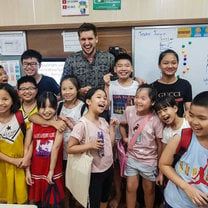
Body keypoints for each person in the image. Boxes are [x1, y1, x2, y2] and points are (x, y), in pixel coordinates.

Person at [67, 88, 119, 208]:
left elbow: (109, 145)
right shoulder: (81, 124)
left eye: (105, 98)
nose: (103, 100)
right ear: (88, 101)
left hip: (108, 167)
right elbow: (70, 148)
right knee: (94, 203)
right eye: (99, 97)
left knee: (105, 198)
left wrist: (111, 128)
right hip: (94, 172)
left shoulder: (103, 121)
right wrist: (89, 145)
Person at [159, 91, 208, 208]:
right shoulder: (183, 136)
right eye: (191, 115)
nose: (194, 122)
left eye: (202, 118)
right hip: (176, 202)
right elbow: (164, 164)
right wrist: (187, 188)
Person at [119, 84, 163, 208]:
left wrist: (159, 163)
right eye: (137, 97)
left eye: (143, 98)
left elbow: (160, 143)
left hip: (150, 161)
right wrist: (124, 137)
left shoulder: (156, 119)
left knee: (149, 190)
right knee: (130, 188)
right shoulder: (129, 110)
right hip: (132, 157)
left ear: (153, 102)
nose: (138, 101)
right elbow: (122, 125)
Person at [104, 53, 139, 208]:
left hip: (135, 134)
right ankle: (118, 195)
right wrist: (105, 86)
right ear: (115, 69)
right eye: (120, 66)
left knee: (134, 166)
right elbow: (105, 106)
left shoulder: (138, 86)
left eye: (126, 65)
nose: (123, 68)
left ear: (131, 68)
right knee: (117, 167)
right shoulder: (111, 85)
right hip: (115, 134)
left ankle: (132, 197)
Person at [23, 91, 64, 207]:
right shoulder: (33, 125)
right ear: (37, 108)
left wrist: (51, 171)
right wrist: (27, 170)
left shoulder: (59, 125)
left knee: (53, 201)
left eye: (51, 107)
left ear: (56, 107)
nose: (47, 111)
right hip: (36, 169)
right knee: (36, 199)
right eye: (43, 107)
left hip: (53, 170)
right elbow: (27, 146)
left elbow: (55, 148)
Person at [0, 83, 28, 204]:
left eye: (5, 99)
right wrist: (13, 161)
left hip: (20, 168)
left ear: (13, 99)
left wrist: (26, 158)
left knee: (21, 202)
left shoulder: (21, 116)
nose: (1, 103)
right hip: (2, 170)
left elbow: (31, 139)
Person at [151, 49, 192, 117]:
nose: (170, 66)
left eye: (173, 63)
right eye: (166, 63)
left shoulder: (185, 84)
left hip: (179, 125)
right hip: (159, 125)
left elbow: (189, 109)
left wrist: (188, 113)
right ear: (159, 65)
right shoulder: (152, 87)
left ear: (177, 64)